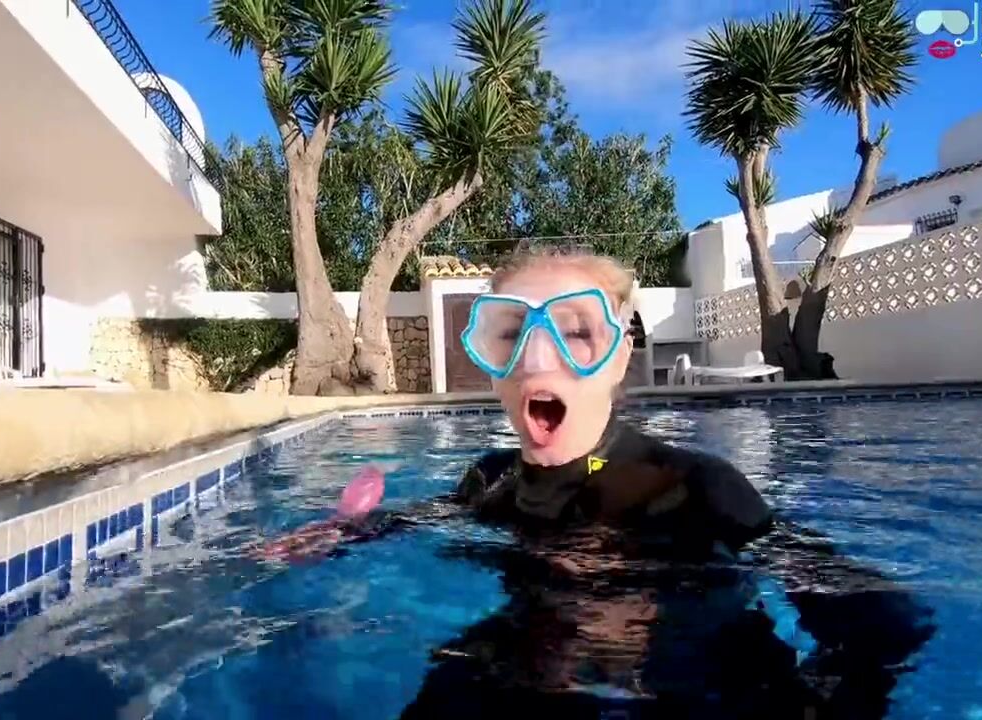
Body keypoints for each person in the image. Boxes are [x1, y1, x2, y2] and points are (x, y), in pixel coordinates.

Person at [261, 248, 935, 718]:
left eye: (575, 333)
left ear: (617, 359)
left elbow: (887, 621)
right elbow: (435, 516)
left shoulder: (696, 486)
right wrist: (346, 532)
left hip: (694, 688)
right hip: (527, 666)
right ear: (493, 366)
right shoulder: (489, 478)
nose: (538, 357)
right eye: (512, 335)